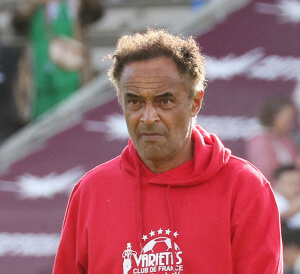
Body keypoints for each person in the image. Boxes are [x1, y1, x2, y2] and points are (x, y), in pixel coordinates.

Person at [52, 29, 283, 273]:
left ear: (195, 102)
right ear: (120, 101)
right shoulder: (91, 191)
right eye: (135, 101)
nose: (148, 117)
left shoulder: (245, 188)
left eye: (164, 101)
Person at [11, 0, 104, 121]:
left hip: (72, 75)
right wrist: (34, 2)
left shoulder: (75, 2)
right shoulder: (37, 7)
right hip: (40, 77)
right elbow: (17, 25)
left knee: (72, 119)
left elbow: (96, 12)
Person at [246, 96, 298, 182]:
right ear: (273, 115)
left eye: (292, 117)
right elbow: (264, 175)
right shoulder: (260, 141)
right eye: (287, 116)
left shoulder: (287, 139)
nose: (290, 121)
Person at [273, 165, 300, 229]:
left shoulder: (295, 198)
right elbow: (275, 218)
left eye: (298, 183)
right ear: (276, 183)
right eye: (291, 183)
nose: (296, 187)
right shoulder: (270, 200)